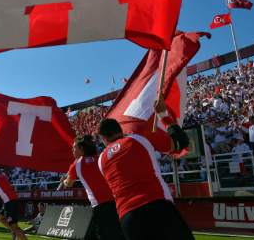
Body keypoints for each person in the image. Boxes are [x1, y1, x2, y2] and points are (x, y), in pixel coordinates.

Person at [97, 97, 194, 240]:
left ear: (104, 139)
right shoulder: (138, 139)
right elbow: (181, 142)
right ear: (120, 130)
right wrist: (163, 115)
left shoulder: (101, 160)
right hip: (157, 206)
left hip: (128, 218)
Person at [62, 135, 125, 240]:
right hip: (116, 202)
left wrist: (64, 180)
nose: (72, 150)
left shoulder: (76, 164)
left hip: (99, 206)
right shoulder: (101, 157)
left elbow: (68, 184)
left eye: (74, 148)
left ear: (82, 149)